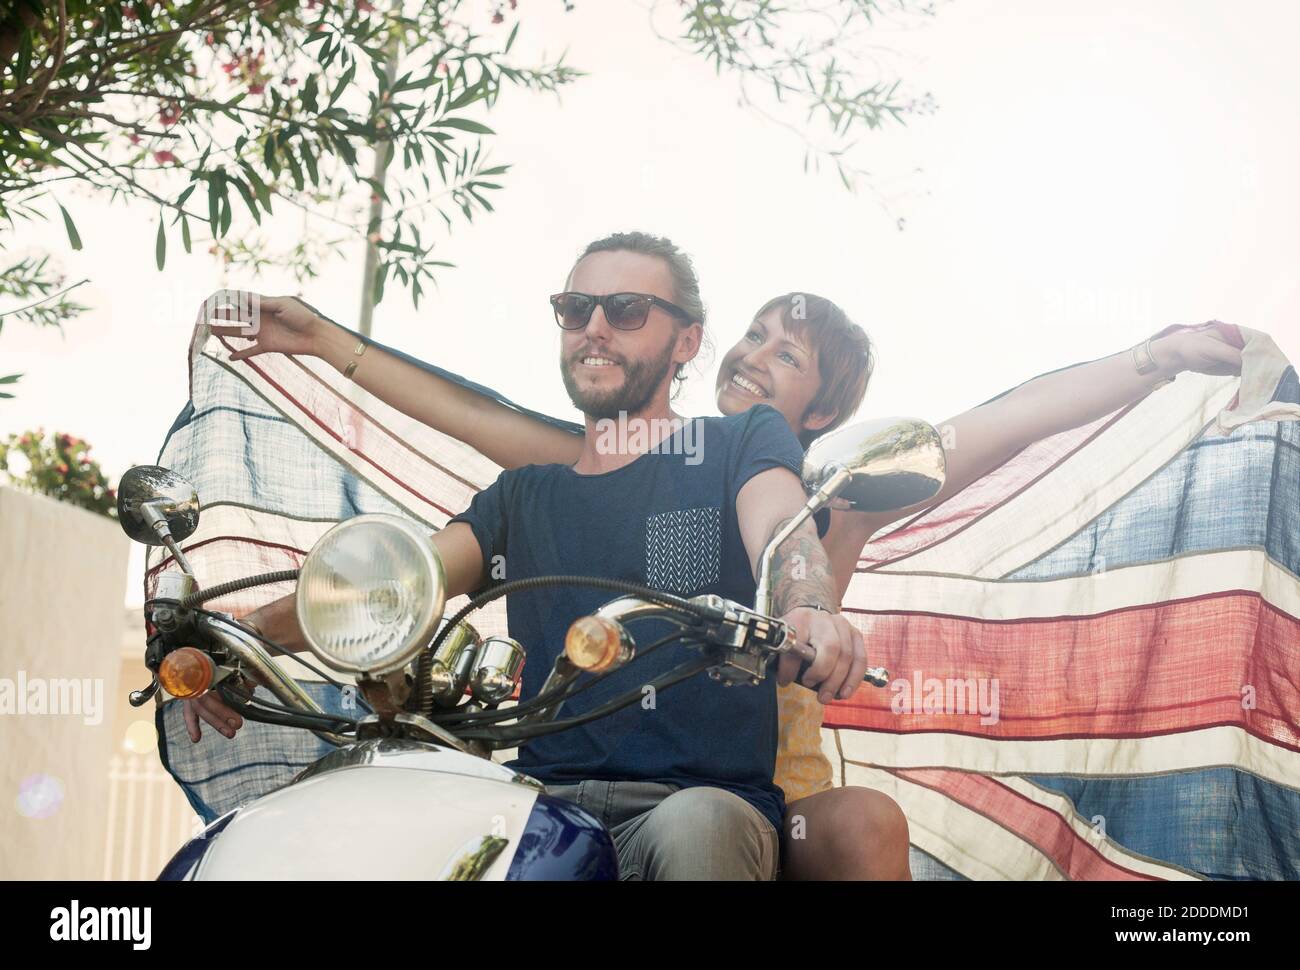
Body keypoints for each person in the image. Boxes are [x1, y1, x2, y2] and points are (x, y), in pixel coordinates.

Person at [196, 233, 1247, 880]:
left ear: (823, 408)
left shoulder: (806, 481)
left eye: (784, 355)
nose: (753, 359)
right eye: (751, 338)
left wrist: (1150, 357)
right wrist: (239, 632)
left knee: (842, 828)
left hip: (737, 789)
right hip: (559, 768)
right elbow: (439, 502)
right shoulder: (581, 466)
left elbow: (980, 433)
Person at [199, 231, 871, 880]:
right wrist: (243, 641)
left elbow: (781, 523)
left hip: (693, 804)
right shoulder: (523, 495)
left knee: (697, 826)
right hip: (543, 811)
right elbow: (388, 586)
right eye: (577, 309)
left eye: (627, 310)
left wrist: (807, 604)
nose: (596, 328)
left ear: (686, 341)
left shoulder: (736, 444)